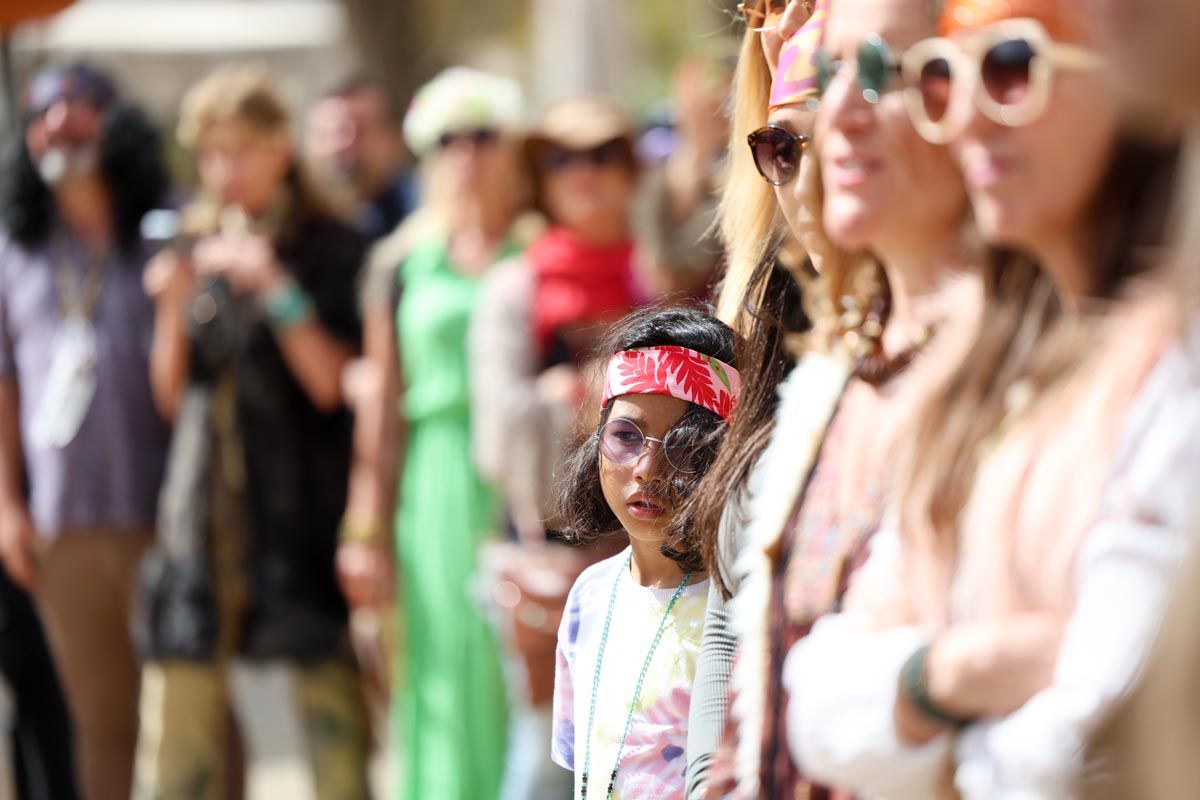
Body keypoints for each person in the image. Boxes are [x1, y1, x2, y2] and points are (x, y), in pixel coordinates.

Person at [784, 1, 1192, 797]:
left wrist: (921, 731)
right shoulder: (984, 382)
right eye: (943, 76)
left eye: (1012, 66)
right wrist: (956, 670)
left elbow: (1106, 741)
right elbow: (815, 709)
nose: (965, 117)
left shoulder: (1174, 370)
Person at [687, 0, 979, 796]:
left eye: (883, 70)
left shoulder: (1017, 379)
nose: (843, 110)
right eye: (782, 145)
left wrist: (927, 686)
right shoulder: (835, 375)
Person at [133, 64, 369, 799]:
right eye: (210, 153)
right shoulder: (195, 242)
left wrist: (274, 287)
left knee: (334, 752)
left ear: (281, 148)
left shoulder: (330, 245)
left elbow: (334, 383)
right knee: (175, 753)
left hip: (301, 524)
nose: (222, 170)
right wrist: (172, 309)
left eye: (239, 149)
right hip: (201, 530)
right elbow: (171, 398)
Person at [337, 65, 526, 800]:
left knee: (514, 669)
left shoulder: (538, 248)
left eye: (483, 135)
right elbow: (381, 405)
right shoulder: (400, 264)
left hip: (517, 481)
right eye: (449, 138)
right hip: (434, 478)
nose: (467, 153)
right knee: (440, 666)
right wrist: (364, 528)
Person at [0, 62, 169, 800]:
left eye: (80, 105)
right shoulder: (14, 250)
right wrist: (7, 504)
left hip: (168, 517)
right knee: (100, 728)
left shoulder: (166, 227)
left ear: (117, 121)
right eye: (44, 110)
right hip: (60, 526)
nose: (61, 121)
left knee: (189, 712)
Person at [551, 305, 741, 800]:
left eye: (686, 446)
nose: (647, 467)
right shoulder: (589, 597)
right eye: (626, 436)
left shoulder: (735, 609)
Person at [305, 73, 417, 241]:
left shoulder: (423, 215)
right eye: (326, 134)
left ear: (395, 140)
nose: (341, 146)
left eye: (359, 130)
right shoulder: (292, 226)